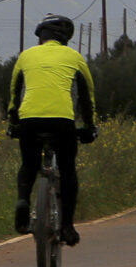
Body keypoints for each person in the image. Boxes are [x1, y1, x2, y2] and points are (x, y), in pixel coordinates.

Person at [7, 14, 97, 245]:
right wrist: (89, 126)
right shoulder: (74, 57)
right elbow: (87, 96)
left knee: (29, 164)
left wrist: (13, 123)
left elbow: (14, 93)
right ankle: (67, 226)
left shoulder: (25, 56)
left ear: (41, 37)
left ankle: (22, 202)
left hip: (29, 121)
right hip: (62, 121)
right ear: (65, 39)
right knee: (67, 170)